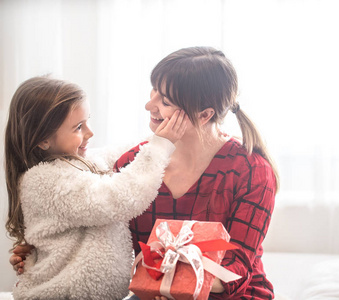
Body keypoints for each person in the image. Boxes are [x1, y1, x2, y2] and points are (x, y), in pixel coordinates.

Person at [11, 47, 279, 299]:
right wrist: (41, 252)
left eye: (164, 100)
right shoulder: (134, 167)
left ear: (205, 114)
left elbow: (236, 270)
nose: (149, 106)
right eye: (153, 92)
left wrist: (175, 284)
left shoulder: (251, 170)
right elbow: (99, 233)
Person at [4, 76, 187, 300]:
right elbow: (119, 198)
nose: (89, 133)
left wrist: (164, 138)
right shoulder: (44, 181)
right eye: (79, 127)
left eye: (87, 121)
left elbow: (121, 153)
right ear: (43, 139)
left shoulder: (81, 163)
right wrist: (161, 145)